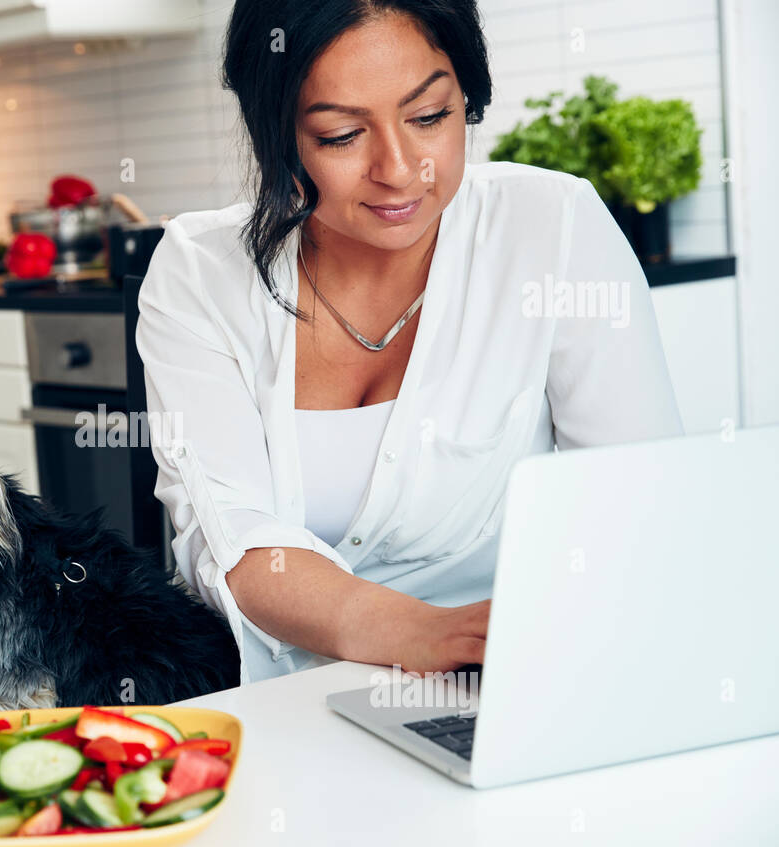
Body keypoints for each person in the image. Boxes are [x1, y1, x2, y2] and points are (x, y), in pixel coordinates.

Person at [135, 0, 683, 685]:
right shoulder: (200, 270)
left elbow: (636, 499)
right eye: (340, 135)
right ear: (277, 136)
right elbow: (234, 537)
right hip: (284, 700)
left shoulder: (551, 228)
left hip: (516, 675)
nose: (400, 169)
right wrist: (422, 633)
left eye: (429, 117)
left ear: (467, 99)